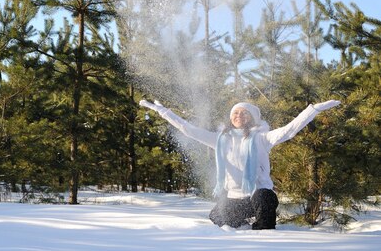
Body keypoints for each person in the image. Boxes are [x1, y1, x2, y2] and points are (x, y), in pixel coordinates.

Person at [139, 98, 340, 230]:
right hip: (236, 197)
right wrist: (163, 112)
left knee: (264, 197)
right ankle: (243, 225)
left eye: (244, 113)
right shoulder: (220, 139)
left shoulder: (263, 138)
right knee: (217, 217)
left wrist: (312, 110)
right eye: (235, 113)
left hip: (258, 194)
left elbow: (289, 130)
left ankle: (265, 235)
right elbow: (188, 130)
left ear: (253, 118)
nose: (239, 116)